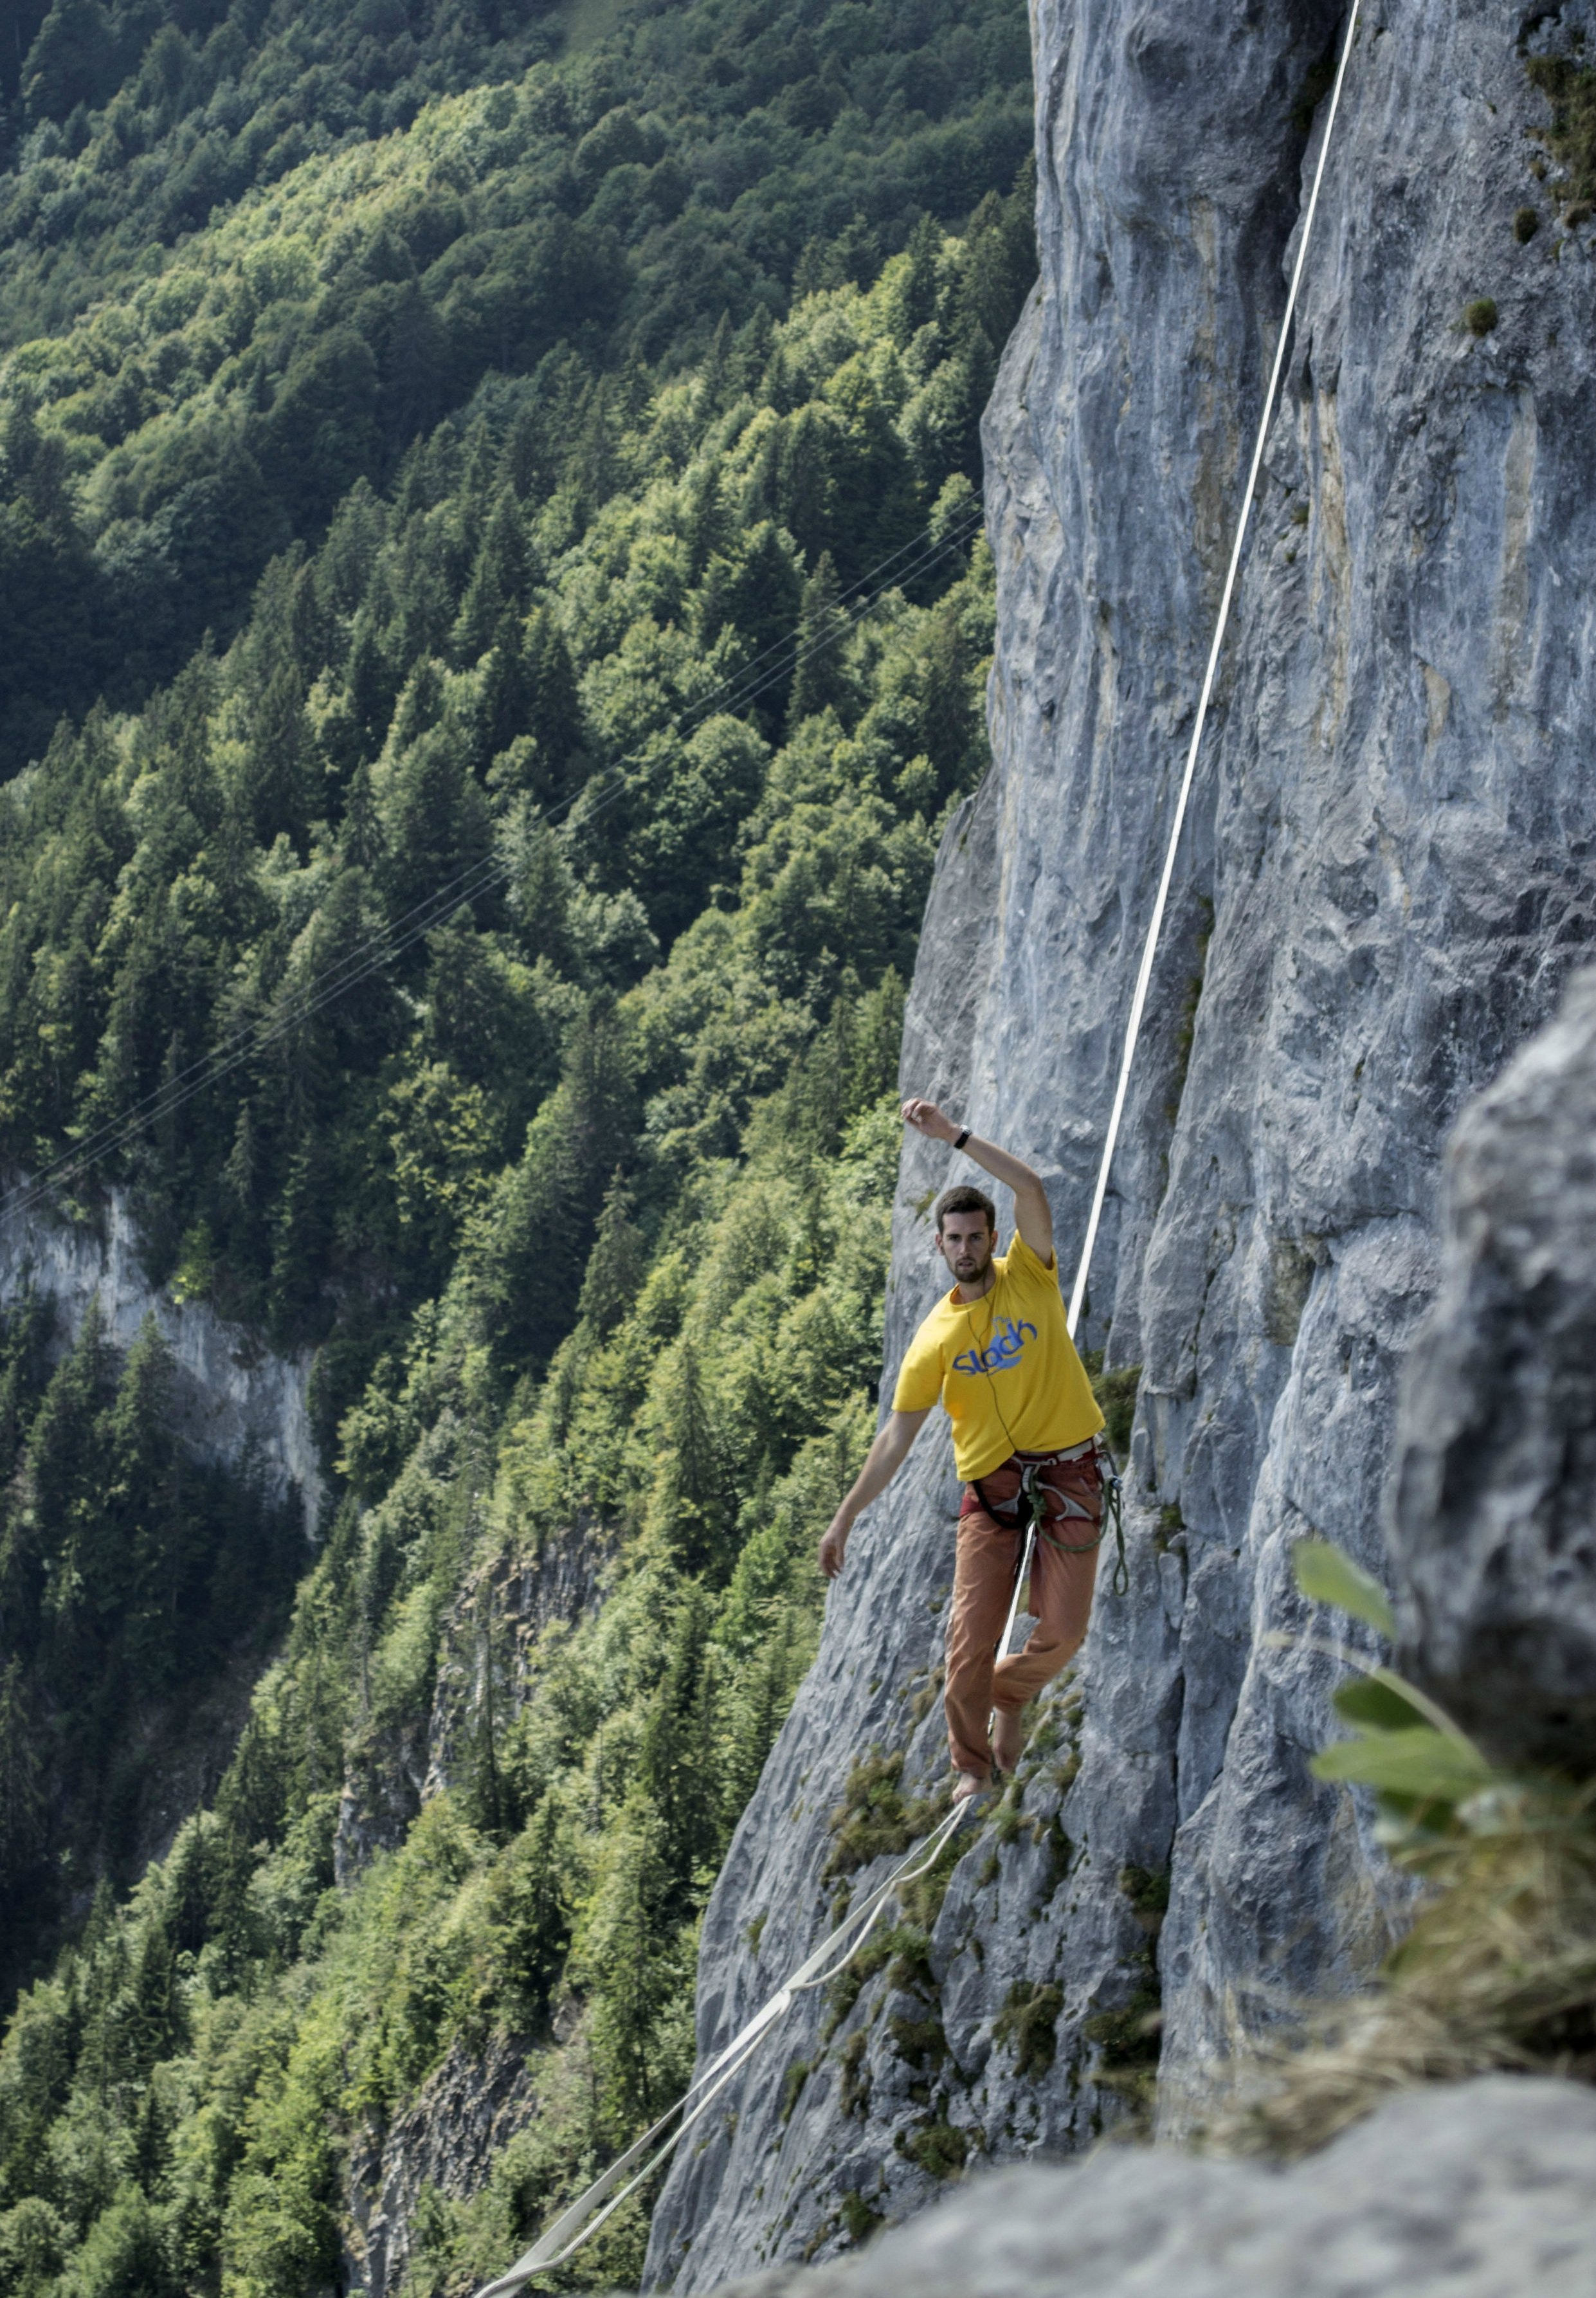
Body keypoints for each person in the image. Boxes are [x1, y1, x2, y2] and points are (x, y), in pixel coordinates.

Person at [819, 1097, 1106, 1801]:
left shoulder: (1030, 1275)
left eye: (977, 1236)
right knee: (965, 1650)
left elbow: (1030, 1188)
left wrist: (954, 1137)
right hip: (992, 1490)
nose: (967, 1249)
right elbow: (896, 1439)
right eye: (955, 1239)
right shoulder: (933, 1341)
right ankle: (971, 1767)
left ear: (991, 1238)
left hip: (1069, 1465)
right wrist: (844, 1518)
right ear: (940, 1247)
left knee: (1065, 1634)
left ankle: (1007, 1696)